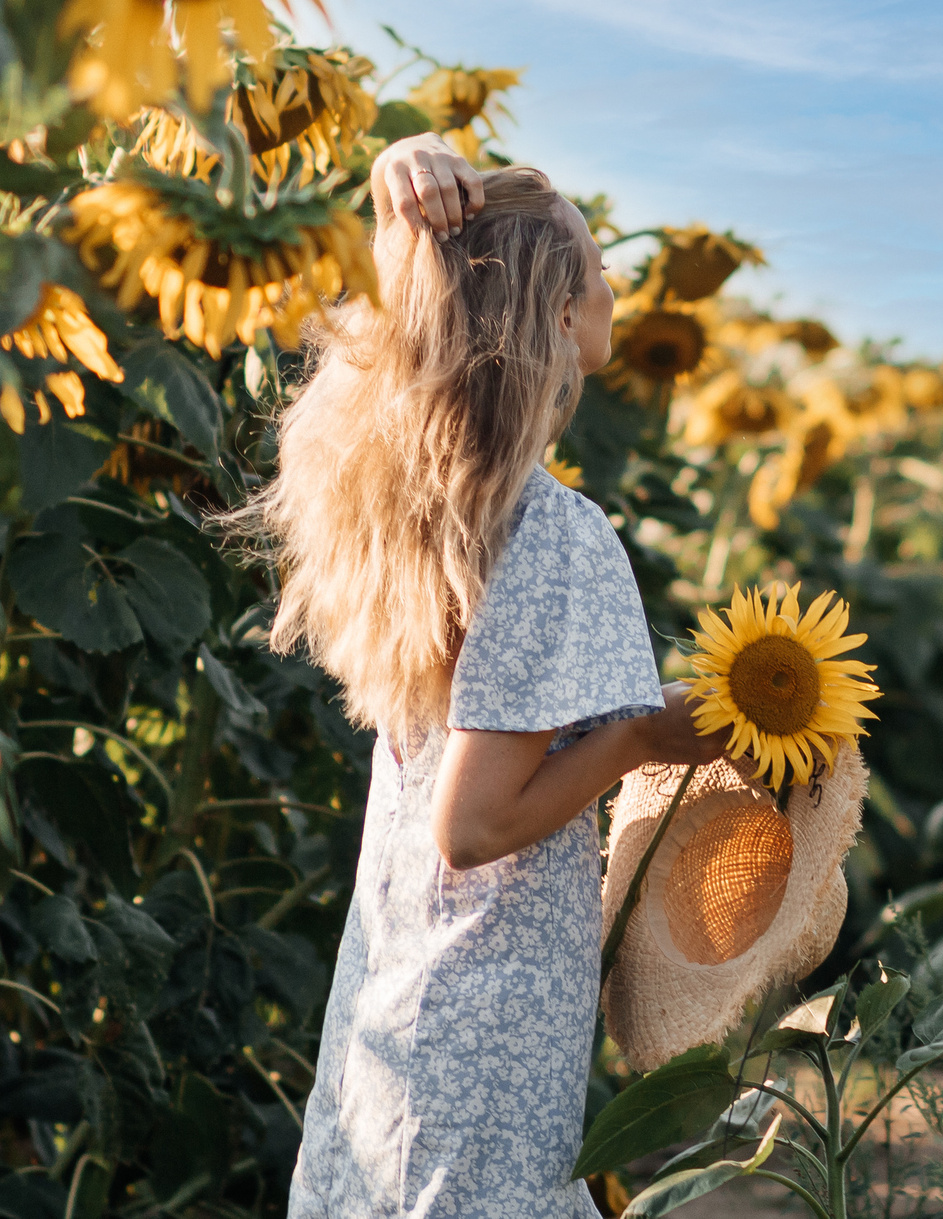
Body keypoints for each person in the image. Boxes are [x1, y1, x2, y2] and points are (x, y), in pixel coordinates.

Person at [243, 133, 727, 1217]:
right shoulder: (552, 530)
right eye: (597, 270)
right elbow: (471, 823)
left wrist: (408, 196)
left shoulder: (433, 508)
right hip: (485, 1012)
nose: (613, 288)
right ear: (560, 314)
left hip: (404, 979)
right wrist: (646, 736)